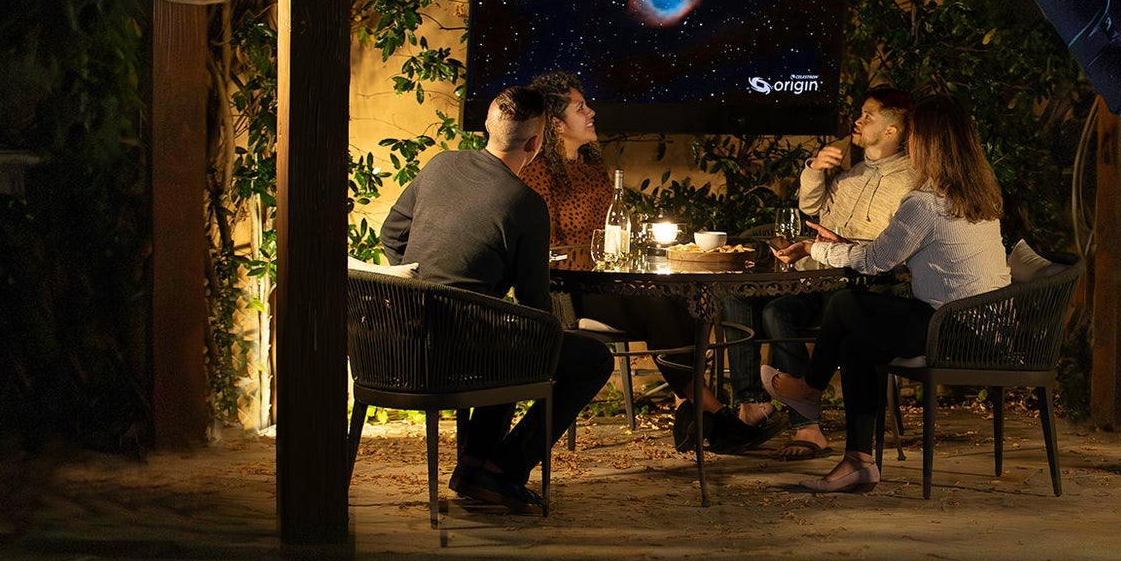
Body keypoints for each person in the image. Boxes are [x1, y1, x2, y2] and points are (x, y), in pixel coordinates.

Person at [380, 86, 614, 507]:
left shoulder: (440, 165)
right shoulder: (524, 204)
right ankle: (504, 468)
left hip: (401, 343)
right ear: (535, 143)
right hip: (460, 355)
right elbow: (534, 305)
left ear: (488, 125)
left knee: (508, 339)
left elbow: (391, 234)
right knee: (591, 358)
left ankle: (474, 466)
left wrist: (422, 285)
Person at [765, 94, 1009, 493]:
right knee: (857, 345)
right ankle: (858, 463)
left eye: (914, 138)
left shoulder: (925, 203)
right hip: (982, 329)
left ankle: (809, 389)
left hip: (950, 329)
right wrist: (843, 245)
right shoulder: (977, 197)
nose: (910, 146)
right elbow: (890, 254)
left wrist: (813, 249)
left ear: (927, 144)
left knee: (846, 303)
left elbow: (876, 261)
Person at [519, 74, 768, 455]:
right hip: (570, 291)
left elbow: (613, 234)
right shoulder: (538, 172)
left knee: (682, 299)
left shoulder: (590, 167)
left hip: (610, 281)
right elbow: (546, 248)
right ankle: (716, 417)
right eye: (580, 108)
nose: (591, 112)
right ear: (555, 124)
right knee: (656, 305)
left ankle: (692, 409)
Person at [723, 85, 915, 461]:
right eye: (859, 113)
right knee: (735, 294)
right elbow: (812, 209)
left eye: (868, 116)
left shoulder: (908, 183)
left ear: (890, 130)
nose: (858, 121)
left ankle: (806, 425)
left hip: (858, 286)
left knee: (776, 312)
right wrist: (813, 170)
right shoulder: (852, 175)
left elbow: (891, 250)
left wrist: (839, 244)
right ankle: (751, 404)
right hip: (813, 277)